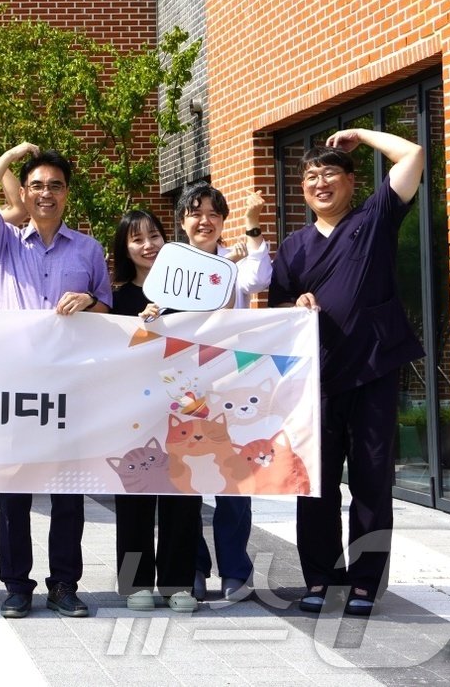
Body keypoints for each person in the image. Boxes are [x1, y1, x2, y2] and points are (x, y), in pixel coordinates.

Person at [269, 128, 424, 617]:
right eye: (311, 175)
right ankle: (319, 579)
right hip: (317, 380)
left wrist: (360, 134)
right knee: (314, 483)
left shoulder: (373, 219)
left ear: (351, 182)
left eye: (330, 172)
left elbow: (413, 154)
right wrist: (297, 303)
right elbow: (275, 310)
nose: (320, 182)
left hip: (374, 370)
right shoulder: (293, 247)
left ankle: (363, 584)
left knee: (372, 481)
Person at [0, 143, 111, 619]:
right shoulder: (5, 242)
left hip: (71, 386)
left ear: (67, 193)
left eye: (55, 185)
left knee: (69, 492)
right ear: (24, 194)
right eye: (37, 186)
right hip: (18, 385)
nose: (46, 193)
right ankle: (16, 586)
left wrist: (89, 302)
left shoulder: (89, 249)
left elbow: (110, 310)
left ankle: (65, 584)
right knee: (15, 492)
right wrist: (6, 154)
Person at [174, 183, 271, 603]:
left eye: (214, 213)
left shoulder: (236, 267)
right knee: (187, 482)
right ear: (182, 221)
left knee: (233, 482)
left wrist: (252, 230)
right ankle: (192, 566)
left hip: (231, 385)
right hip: (182, 390)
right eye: (195, 213)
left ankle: (236, 569)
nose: (204, 220)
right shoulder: (169, 268)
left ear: (223, 221)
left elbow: (261, 276)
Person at [107, 209, 201, 614]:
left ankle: (179, 583)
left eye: (154, 236)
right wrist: (139, 327)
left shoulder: (191, 295)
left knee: (183, 495)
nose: (147, 245)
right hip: (132, 410)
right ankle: (134, 584)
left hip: (185, 408)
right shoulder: (115, 297)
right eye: (137, 239)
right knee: (134, 498)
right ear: (125, 248)